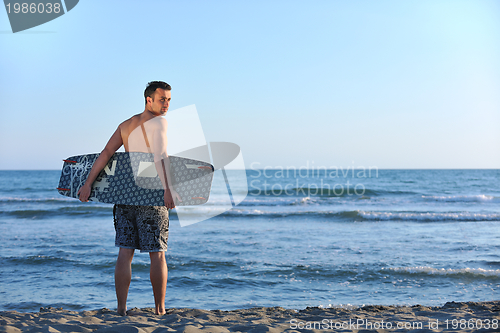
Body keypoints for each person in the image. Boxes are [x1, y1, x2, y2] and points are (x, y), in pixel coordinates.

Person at [77, 81, 181, 316]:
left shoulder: (126, 125)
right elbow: (161, 155)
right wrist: (168, 188)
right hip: (151, 196)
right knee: (158, 253)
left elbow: (106, 153)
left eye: (169, 100)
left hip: (125, 197)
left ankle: (122, 309)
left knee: (125, 252)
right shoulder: (160, 123)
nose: (166, 104)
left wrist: (87, 184)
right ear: (149, 100)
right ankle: (160, 309)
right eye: (162, 99)